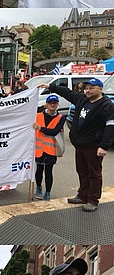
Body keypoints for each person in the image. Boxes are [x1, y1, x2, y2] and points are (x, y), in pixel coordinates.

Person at [40, 78, 114, 212]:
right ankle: (82, 195)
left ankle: (93, 200)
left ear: (100, 89)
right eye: (87, 88)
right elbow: (68, 93)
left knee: (94, 173)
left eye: (92, 88)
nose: (88, 90)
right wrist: (51, 86)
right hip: (80, 145)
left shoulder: (106, 105)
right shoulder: (83, 99)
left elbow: (110, 125)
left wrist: (104, 146)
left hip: (93, 145)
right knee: (82, 171)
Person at [32, 95, 66, 201]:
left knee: (48, 172)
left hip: (51, 150)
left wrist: (40, 128)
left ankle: (47, 192)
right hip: (39, 150)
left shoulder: (60, 118)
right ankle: (38, 188)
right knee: (39, 170)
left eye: (54, 103)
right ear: (46, 104)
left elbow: (55, 131)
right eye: (50, 102)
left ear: (57, 104)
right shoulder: (38, 116)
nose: (52, 104)